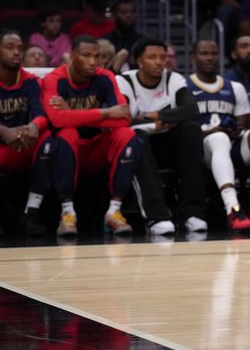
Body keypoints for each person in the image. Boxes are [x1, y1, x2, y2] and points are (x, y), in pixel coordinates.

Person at [42, 35, 142, 236]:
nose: (93, 62)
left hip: (96, 147)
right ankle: (67, 214)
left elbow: (123, 117)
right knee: (67, 133)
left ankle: (114, 212)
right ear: (71, 57)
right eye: (86, 55)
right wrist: (104, 112)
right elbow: (57, 120)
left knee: (127, 134)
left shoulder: (105, 77)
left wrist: (70, 113)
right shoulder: (54, 79)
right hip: (67, 149)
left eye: (96, 56)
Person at [116, 37, 208, 234]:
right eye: (152, 57)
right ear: (139, 60)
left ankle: (192, 213)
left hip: (166, 144)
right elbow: (124, 119)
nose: (159, 62)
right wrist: (164, 120)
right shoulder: (124, 81)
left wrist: (153, 115)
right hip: (137, 148)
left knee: (191, 129)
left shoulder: (173, 79)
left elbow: (191, 110)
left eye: (162, 57)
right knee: (137, 135)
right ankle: (156, 216)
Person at [190, 39, 250, 230]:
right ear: (193, 57)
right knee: (217, 138)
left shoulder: (234, 87)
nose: (210, 57)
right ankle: (233, 209)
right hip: (201, 150)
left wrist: (234, 128)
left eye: (213, 53)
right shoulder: (184, 86)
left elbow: (242, 124)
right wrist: (209, 131)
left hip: (230, 146)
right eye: (204, 53)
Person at [0, 30, 56, 236]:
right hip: (2, 145)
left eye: (20, 48)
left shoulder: (30, 81)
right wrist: (4, 130)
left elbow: (41, 114)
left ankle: (31, 212)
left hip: (22, 145)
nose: (16, 53)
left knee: (47, 137)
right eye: (9, 48)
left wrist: (33, 126)